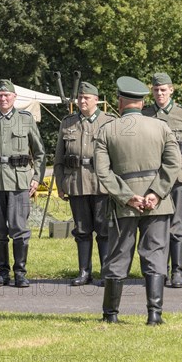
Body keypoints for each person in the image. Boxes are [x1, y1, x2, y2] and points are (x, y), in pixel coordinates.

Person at [94, 76, 181, 325]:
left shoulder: (107, 130)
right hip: (158, 204)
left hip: (124, 206)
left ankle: (110, 315)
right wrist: (156, 192)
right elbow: (174, 163)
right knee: (155, 255)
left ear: (121, 102)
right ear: (142, 103)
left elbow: (102, 172)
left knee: (118, 255)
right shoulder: (161, 127)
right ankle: (154, 315)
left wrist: (127, 196)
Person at [0, 79, 46, 288]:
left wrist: (36, 177)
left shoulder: (26, 119)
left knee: (19, 228)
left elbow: (39, 153)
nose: (3, 99)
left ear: (14, 97)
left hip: (19, 182)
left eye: (6, 95)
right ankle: (2, 273)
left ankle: (20, 272)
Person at [142, 73, 182, 288]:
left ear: (171, 90)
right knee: (156, 227)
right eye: (156, 90)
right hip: (152, 179)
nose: (159, 94)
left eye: (163, 90)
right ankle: (159, 271)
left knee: (176, 226)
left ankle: (177, 271)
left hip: (176, 177)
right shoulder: (146, 113)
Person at [54, 81, 115, 286]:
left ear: (96, 100)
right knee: (81, 230)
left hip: (101, 183)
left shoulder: (109, 121)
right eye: (80, 98)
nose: (82, 101)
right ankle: (84, 271)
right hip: (76, 182)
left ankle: (106, 272)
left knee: (104, 229)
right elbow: (59, 157)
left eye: (86, 98)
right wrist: (60, 184)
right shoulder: (68, 122)